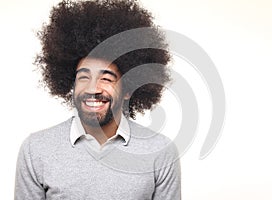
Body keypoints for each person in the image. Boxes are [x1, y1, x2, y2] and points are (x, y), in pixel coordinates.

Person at [14, 0, 181, 199]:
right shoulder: (36, 150)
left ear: (128, 89)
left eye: (106, 78)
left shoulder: (160, 152)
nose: (93, 88)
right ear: (71, 84)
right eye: (84, 77)